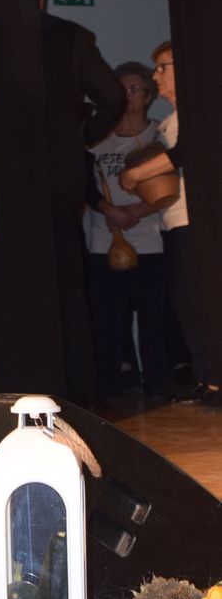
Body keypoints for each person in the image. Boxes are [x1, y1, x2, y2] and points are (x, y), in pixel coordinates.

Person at [120, 41, 220, 405]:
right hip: (176, 221)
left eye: (163, 68)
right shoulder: (170, 121)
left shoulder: (199, 114)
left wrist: (137, 174)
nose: (156, 76)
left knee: (200, 301)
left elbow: (184, 154)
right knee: (185, 302)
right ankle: (208, 377)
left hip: (198, 221)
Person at [38, 0, 125, 406]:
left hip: (1, 179)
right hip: (59, 174)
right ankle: (78, 392)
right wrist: (81, 135)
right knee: (68, 284)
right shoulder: (70, 37)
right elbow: (113, 96)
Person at [85, 62, 168, 399]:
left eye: (134, 89)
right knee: (109, 317)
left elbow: (169, 185)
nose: (127, 96)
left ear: (148, 96)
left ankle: (158, 382)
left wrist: (135, 211)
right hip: (104, 240)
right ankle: (112, 382)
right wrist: (109, 210)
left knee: (154, 316)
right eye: (121, 89)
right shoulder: (97, 137)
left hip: (149, 239)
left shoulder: (158, 134)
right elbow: (84, 183)